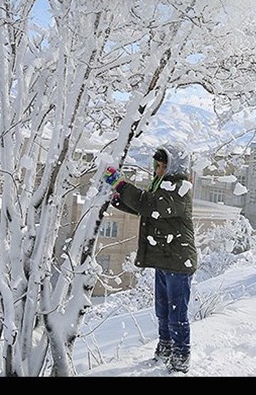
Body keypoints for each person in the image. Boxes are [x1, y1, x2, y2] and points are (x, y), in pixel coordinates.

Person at [103, 144, 198, 373]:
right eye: (157, 166)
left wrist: (121, 185)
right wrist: (119, 199)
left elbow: (152, 205)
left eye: (163, 166)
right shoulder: (162, 186)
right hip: (165, 258)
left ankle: (181, 357)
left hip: (178, 260)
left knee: (177, 312)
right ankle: (165, 349)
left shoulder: (180, 187)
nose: (158, 170)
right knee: (163, 309)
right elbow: (145, 208)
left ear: (173, 166)